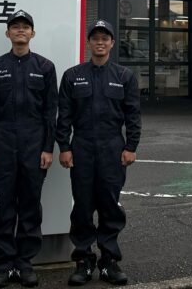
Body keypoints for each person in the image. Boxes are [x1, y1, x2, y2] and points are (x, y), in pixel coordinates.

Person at [56, 20, 141, 286]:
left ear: (112, 43)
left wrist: (131, 147)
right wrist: (64, 147)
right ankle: (83, 260)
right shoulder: (72, 75)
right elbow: (64, 116)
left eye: (105, 38)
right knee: (82, 206)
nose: (100, 42)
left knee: (109, 205)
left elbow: (133, 115)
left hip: (112, 147)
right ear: (89, 43)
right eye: (95, 38)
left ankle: (108, 261)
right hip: (82, 146)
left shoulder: (124, 76)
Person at [0, 10, 58, 288]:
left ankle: (25, 263)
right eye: (15, 27)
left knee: (30, 204)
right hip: (3, 145)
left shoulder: (45, 67)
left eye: (25, 27)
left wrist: (48, 148)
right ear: (8, 33)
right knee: (5, 205)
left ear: (33, 33)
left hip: (34, 145)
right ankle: (4, 263)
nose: (20, 30)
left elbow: (51, 112)